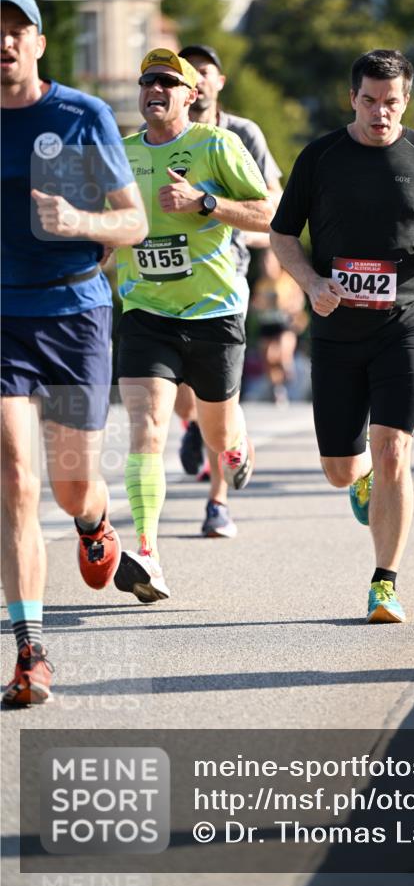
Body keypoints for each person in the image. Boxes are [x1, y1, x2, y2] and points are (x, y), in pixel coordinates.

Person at [270, 50, 414, 624]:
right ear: (351, 98)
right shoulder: (320, 156)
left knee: (394, 451)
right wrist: (311, 281)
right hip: (336, 330)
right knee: (343, 468)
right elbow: (282, 233)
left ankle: (384, 583)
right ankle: (358, 482)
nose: (380, 114)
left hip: (403, 324)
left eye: (391, 103)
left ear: (405, 100)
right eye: (369, 101)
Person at [1, 0, 148, 706]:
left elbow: (134, 224)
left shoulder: (81, 116)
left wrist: (75, 219)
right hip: (2, 318)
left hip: (73, 312)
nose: (3, 44)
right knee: (15, 481)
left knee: (67, 486)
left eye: (15, 32)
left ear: (38, 44)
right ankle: (31, 651)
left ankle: (93, 521)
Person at [114, 48, 272, 601]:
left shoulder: (217, 145)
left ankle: (237, 446)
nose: (154, 89)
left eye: (167, 81)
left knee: (217, 434)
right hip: (145, 312)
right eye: (147, 81)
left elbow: (270, 213)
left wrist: (204, 202)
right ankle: (149, 555)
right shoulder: (121, 152)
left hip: (214, 312)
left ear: (191, 94)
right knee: (147, 430)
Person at [173, 44, 282, 537]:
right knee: (179, 390)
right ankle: (196, 424)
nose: (195, 81)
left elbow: (273, 202)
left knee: (215, 389)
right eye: (185, 73)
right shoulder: (159, 134)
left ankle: (217, 502)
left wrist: (218, 210)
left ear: (220, 82)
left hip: (225, 275)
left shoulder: (243, 134)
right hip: (166, 278)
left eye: (204, 73)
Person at [250, 247, 307, 404]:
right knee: (268, 358)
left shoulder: (286, 279)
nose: (266, 265)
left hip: (284, 323)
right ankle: (277, 389)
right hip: (267, 323)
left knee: (282, 354)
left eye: (269, 261)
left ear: (277, 263)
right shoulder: (261, 283)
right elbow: (255, 304)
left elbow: (299, 299)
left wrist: (289, 306)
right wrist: (258, 306)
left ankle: (287, 370)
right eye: (264, 261)